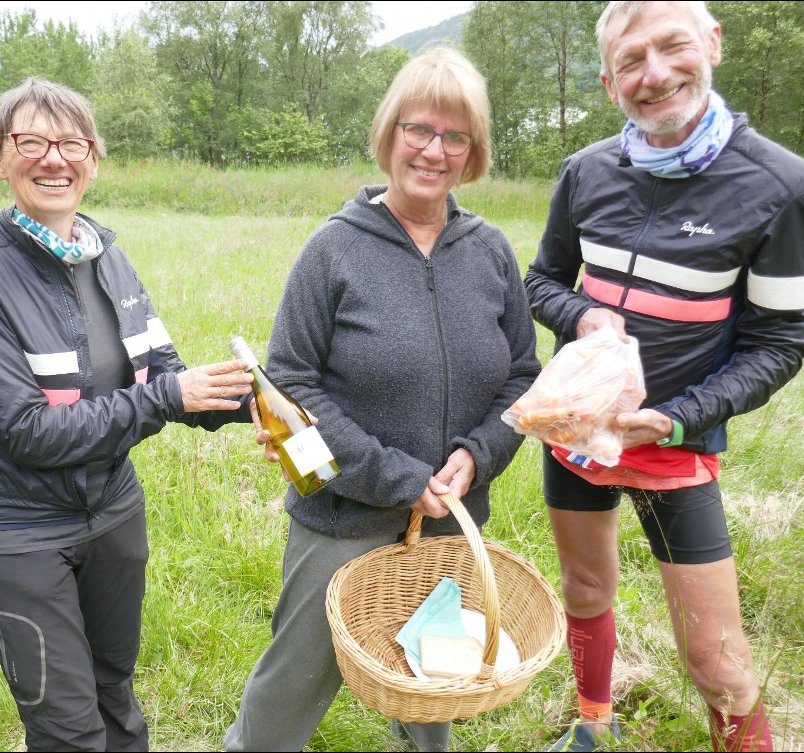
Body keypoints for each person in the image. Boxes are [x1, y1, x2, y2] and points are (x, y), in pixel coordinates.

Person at [524, 2, 804, 751]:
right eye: (631, 61)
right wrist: (583, 317)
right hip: (574, 433)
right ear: (609, 82)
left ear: (714, 46)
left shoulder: (784, 188)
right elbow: (541, 282)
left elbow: (781, 342)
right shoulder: (586, 171)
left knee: (714, 656)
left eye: (672, 48)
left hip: (675, 448)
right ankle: (594, 723)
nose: (654, 74)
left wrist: (677, 416)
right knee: (586, 590)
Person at [0, 77, 254, 752]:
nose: (54, 158)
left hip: (113, 512)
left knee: (117, 697)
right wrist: (170, 396)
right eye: (32, 141)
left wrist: (264, 402)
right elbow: (26, 430)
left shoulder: (110, 257)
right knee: (68, 728)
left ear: (94, 158)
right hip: (16, 530)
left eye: (72, 142)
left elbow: (163, 371)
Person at [223, 47, 541, 753]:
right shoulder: (333, 251)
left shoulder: (490, 251)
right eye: (417, 129)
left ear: (474, 150)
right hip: (343, 519)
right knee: (291, 685)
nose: (433, 150)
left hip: (453, 519)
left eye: (454, 136)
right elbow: (292, 383)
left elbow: (523, 375)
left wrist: (477, 453)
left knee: (433, 681)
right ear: (389, 133)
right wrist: (398, 477)